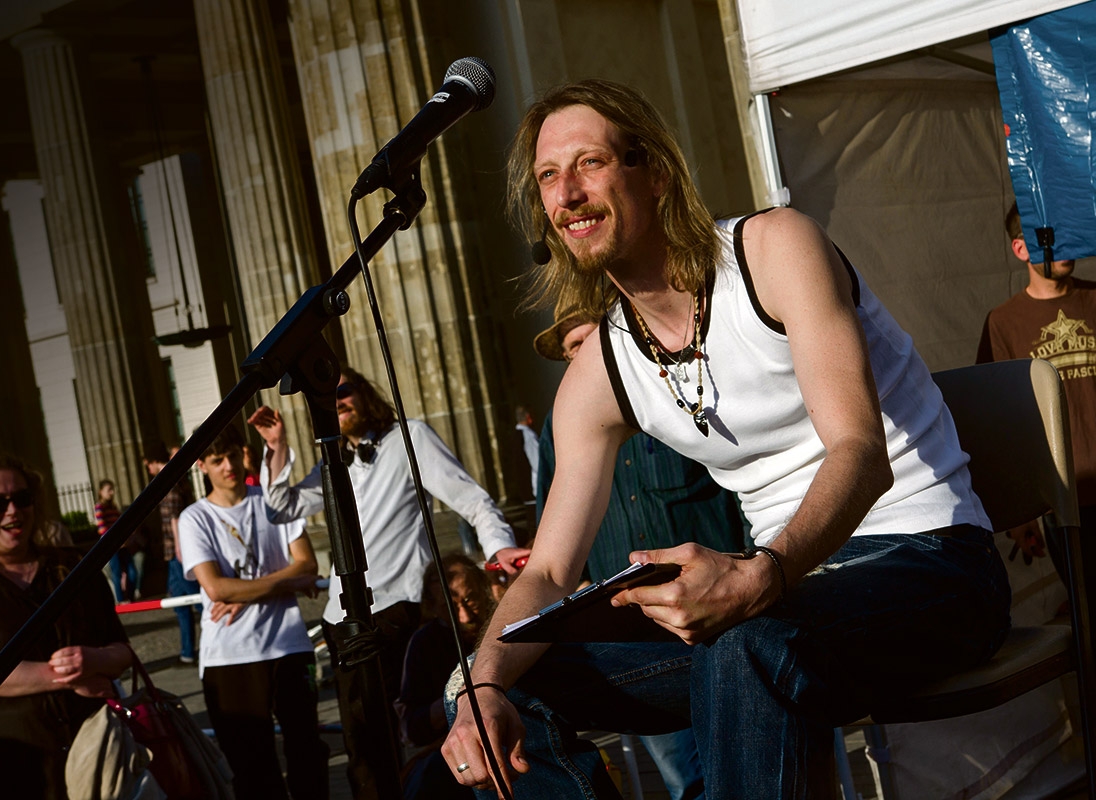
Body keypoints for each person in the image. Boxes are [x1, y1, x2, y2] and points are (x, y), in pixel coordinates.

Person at [441, 79, 1010, 799]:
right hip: (780, 599)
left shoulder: (773, 250)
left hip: (932, 559)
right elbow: (549, 573)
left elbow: (861, 454)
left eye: (590, 164)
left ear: (651, 170)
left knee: (743, 645)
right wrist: (475, 686)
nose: (568, 195)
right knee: (506, 686)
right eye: (551, 177)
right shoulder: (597, 373)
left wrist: (760, 576)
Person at [249, 365, 529, 800]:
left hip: (395, 611)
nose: (337, 401)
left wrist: (498, 549)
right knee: (360, 745)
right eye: (326, 397)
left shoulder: (409, 438)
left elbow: (472, 500)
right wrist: (276, 448)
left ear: (364, 393)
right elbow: (281, 507)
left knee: (412, 734)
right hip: (340, 620)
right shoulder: (332, 457)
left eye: (343, 390)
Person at [533, 304, 748, 800]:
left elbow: (736, 484)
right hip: (634, 626)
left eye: (588, 341)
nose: (580, 356)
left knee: (744, 760)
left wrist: (756, 562)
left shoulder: (675, 394)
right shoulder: (559, 428)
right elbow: (553, 522)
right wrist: (578, 587)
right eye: (571, 350)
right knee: (684, 778)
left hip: (719, 605)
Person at [0, 449, 131, 799]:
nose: (12, 511)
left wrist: (92, 660)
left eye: (21, 498)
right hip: (13, 768)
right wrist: (69, 679)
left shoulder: (73, 567)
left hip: (97, 756)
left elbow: (121, 649)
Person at [177, 423, 328, 800]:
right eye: (216, 459)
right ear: (202, 465)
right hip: (230, 656)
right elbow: (215, 588)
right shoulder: (195, 518)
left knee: (308, 756)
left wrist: (244, 593)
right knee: (253, 770)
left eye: (232, 455)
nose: (228, 465)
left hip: (289, 646)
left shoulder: (271, 502)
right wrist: (284, 582)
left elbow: (308, 566)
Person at [976, 202, 1096, 594]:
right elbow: (998, 424)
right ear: (1021, 249)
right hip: (1063, 504)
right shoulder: (1003, 323)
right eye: (1047, 237)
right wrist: (1020, 513)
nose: (1064, 243)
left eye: (1067, 230)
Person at [395, 554, 494, 800]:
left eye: (470, 600)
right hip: (451, 752)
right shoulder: (423, 643)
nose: (465, 616)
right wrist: (453, 701)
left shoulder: (497, 625)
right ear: (433, 607)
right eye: (449, 606)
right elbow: (412, 726)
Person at [142, 441, 201, 664]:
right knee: (180, 602)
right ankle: (187, 653)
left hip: (176, 551)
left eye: (147, 464)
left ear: (153, 461)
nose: (147, 469)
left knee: (197, 601)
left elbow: (175, 516)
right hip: (172, 551)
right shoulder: (173, 477)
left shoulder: (168, 479)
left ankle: (213, 642)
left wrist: (179, 548)